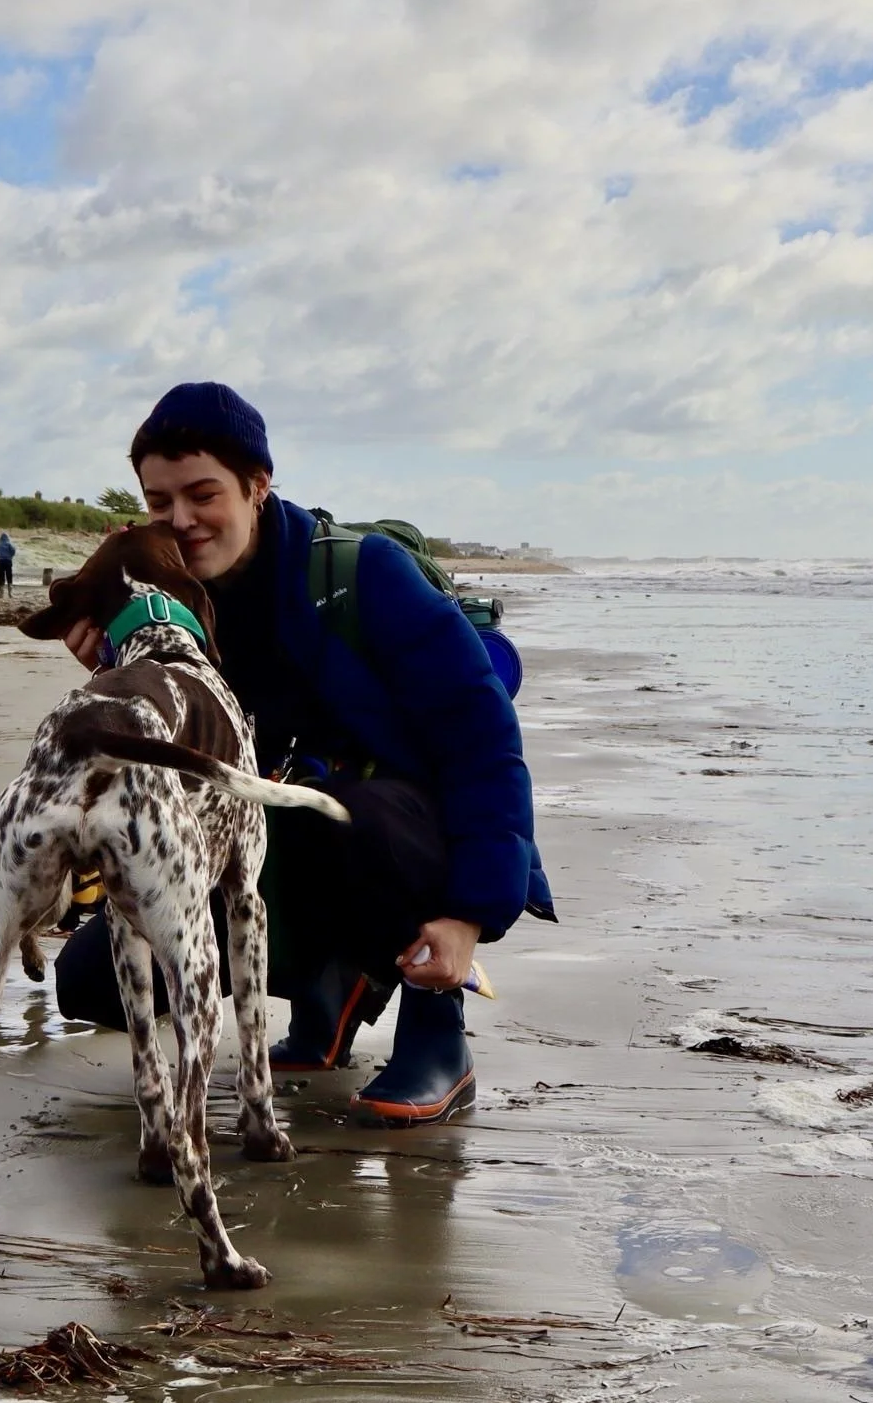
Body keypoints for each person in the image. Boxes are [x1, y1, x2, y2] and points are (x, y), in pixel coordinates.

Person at [50, 382, 554, 1125]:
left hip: (397, 831)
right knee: (90, 982)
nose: (182, 520)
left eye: (203, 494)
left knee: (351, 817)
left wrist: (470, 914)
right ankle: (326, 991)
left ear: (258, 486)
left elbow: (482, 741)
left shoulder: (366, 574)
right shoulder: (161, 605)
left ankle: (436, 1031)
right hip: (268, 836)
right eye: (161, 503)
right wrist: (114, 669)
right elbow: (178, 773)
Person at [0, 531, 16, 596]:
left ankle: (1, 593)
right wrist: (11, 556)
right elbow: (13, 551)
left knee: (1, 576)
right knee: (9, 576)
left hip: (0, 562)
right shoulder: (9, 544)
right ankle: (10, 593)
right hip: (8, 561)